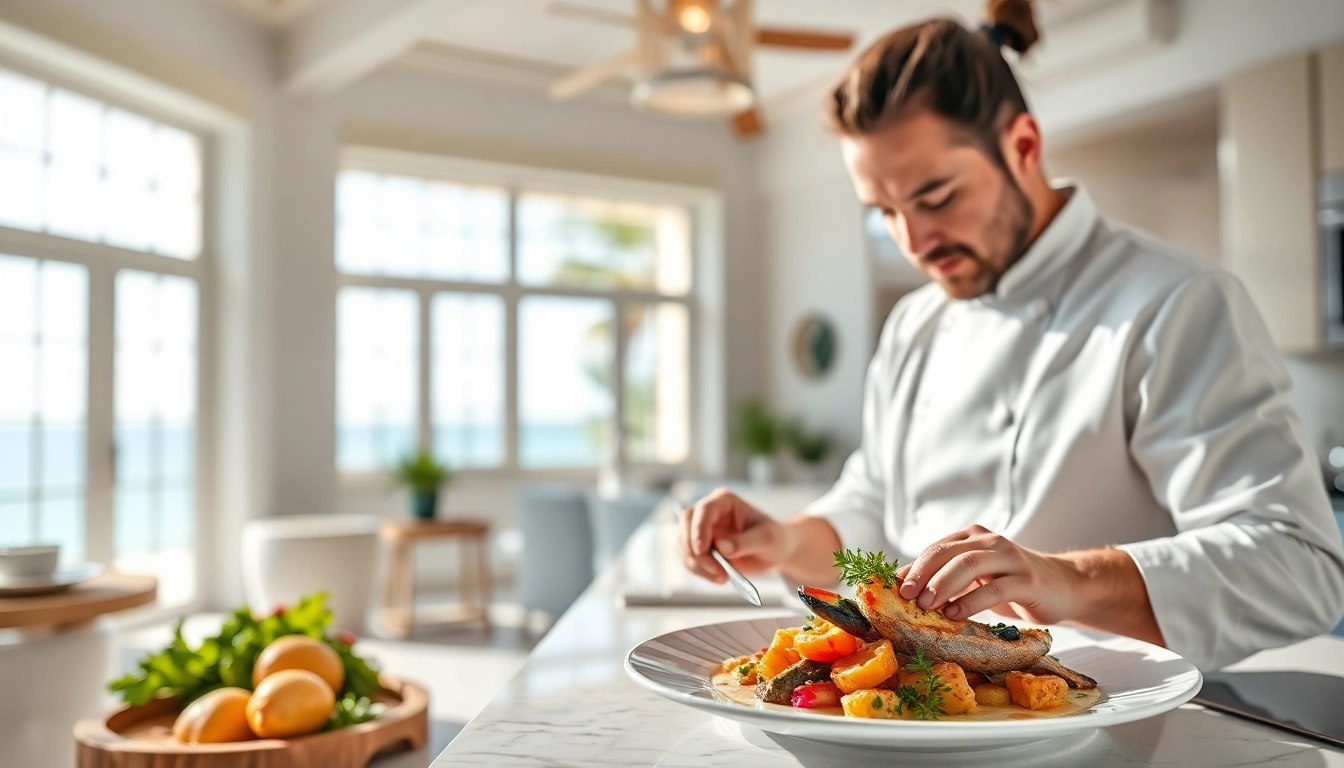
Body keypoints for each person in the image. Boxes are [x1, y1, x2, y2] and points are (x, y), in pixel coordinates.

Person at [678, 0, 1344, 671]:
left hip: (1114, 721)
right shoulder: (914, 323)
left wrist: (1062, 579)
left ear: (1023, 147)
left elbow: (1300, 568)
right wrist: (782, 539)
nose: (914, 241)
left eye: (936, 197)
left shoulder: (1175, 303)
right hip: (924, 715)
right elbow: (876, 507)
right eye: (886, 213)